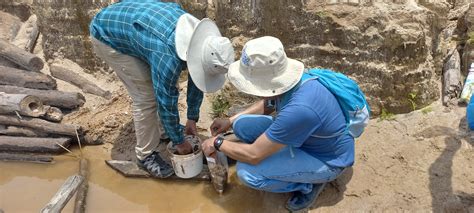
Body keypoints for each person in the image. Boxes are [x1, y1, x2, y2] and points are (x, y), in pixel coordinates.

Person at [202, 36, 354, 211]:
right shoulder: (296, 82)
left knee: (246, 173)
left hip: (326, 159)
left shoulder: (300, 110)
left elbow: (254, 155)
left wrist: (217, 143)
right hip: (305, 136)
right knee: (242, 124)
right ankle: (286, 165)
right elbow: (269, 103)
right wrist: (230, 120)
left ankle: (308, 184)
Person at [90, 1, 234, 178]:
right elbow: (165, 99)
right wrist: (179, 142)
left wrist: (191, 119)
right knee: (147, 97)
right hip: (108, 35)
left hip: (137, 28)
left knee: (160, 86)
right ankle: (145, 155)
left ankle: (164, 130)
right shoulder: (168, 55)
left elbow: (198, 78)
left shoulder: (202, 39)